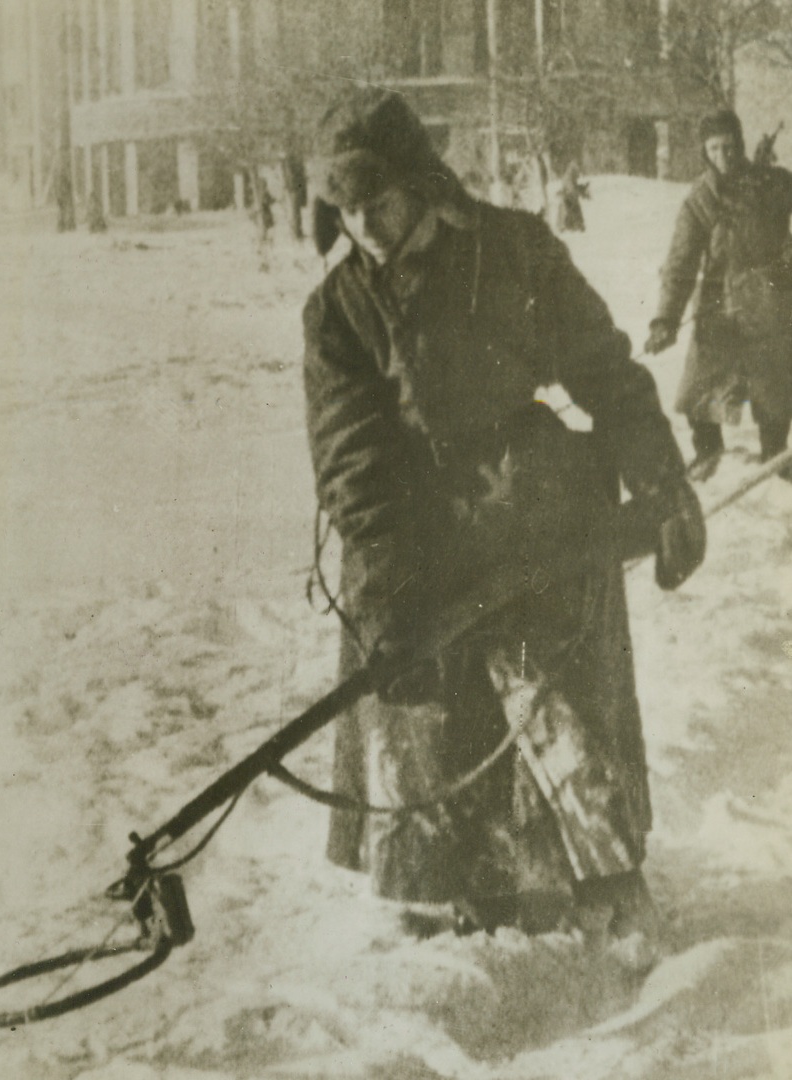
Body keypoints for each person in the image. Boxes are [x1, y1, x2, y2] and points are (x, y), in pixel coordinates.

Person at [303, 87, 705, 938]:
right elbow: (352, 461)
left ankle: (604, 886)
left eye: (379, 202)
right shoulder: (338, 310)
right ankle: (455, 902)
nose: (365, 226)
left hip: (533, 522)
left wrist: (663, 483)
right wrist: (387, 600)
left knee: (552, 697)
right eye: (347, 209)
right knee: (432, 721)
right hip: (411, 541)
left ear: (420, 183)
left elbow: (606, 371)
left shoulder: (513, 252)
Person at [645, 109, 792, 480]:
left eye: (729, 146)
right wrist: (665, 319)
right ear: (704, 151)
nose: (723, 156)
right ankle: (708, 452)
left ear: (739, 145)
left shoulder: (772, 185)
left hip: (768, 303)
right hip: (717, 306)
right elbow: (680, 264)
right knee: (701, 384)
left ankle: (775, 457)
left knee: (773, 388)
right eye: (714, 148)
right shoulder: (700, 199)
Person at [556, 161, 589, 232]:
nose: (578, 176)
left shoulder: (570, 176)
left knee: (572, 207)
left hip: (569, 197)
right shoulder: (568, 177)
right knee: (570, 208)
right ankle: (571, 225)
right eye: (577, 173)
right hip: (568, 198)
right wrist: (580, 191)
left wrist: (581, 188)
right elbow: (571, 190)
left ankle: (575, 225)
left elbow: (573, 188)